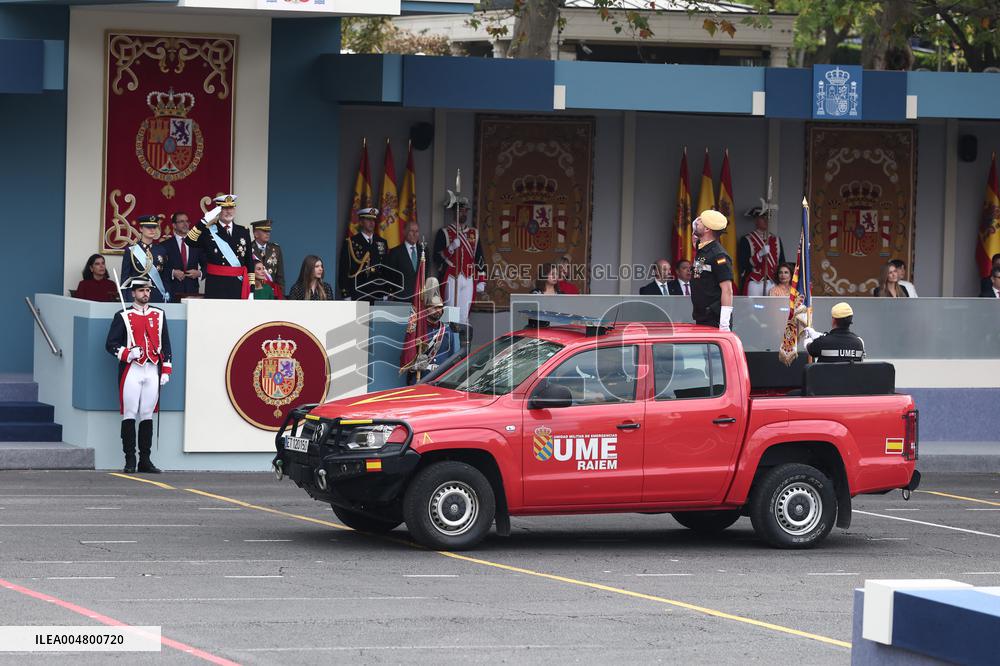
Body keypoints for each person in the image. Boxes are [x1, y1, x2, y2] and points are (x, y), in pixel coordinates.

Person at [105, 277, 170, 473]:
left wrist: (166, 369)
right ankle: (130, 459)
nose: (146, 294)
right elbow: (110, 344)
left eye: (148, 290)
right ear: (133, 293)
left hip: (152, 369)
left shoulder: (159, 314)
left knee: (147, 415)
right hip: (132, 370)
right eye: (141, 290)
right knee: (130, 413)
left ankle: (145, 459)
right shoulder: (122, 315)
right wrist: (127, 353)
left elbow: (166, 344)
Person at [184, 194, 255, 299]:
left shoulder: (243, 231)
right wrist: (204, 221)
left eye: (231, 207)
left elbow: (249, 261)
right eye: (224, 208)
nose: (228, 211)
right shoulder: (209, 231)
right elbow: (189, 241)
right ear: (218, 211)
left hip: (238, 286)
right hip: (216, 286)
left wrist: (251, 289)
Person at [433, 188, 486, 324]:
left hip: (468, 278)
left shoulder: (474, 233)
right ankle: (448, 342)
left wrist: (481, 279)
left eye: (465, 211)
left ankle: (462, 343)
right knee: (449, 314)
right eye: (460, 211)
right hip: (451, 276)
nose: (463, 213)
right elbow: (436, 258)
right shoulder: (444, 232)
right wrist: (450, 249)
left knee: (464, 315)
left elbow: (479, 257)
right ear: (454, 212)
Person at [691, 210, 735, 330]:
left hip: (714, 318)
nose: (696, 223)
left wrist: (724, 323)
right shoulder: (703, 250)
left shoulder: (718, 255)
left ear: (707, 229)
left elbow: (727, 290)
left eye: (700, 222)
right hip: (702, 316)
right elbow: (698, 274)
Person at [338, 207, 388, 302]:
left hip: (377, 293)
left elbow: (385, 269)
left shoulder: (382, 242)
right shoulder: (351, 242)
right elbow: (344, 270)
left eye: (373, 220)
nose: (371, 223)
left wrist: (385, 291)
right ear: (361, 222)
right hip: (358, 293)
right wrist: (346, 294)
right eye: (368, 219)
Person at [402, 295, 454, 384]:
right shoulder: (417, 330)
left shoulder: (447, 330)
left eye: (440, 307)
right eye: (434, 307)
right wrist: (414, 365)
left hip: (441, 380)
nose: (438, 310)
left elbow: (451, 357)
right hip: (421, 378)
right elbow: (407, 355)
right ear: (426, 309)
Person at [120, 215, 170, 303]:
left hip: (157, 295)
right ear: (141, 229)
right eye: (148, 227)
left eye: (154, 227)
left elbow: (165, 276)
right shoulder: (131, 250)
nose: (152, 230)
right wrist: (125, 297)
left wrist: (167, 293)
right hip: (137, 296)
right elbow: (125, 277)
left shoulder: (161, 250)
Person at [738, 204, 785, 296]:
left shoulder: (776, 240)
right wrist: (759, 255)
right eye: (762, 218)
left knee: (773, 308)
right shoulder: (747, 239)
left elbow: (782, 262)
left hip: (773, 281)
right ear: (756, 220)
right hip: (755, 281)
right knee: (753, 308)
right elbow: (743, 264)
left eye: (767, 218)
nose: (766, 220)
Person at [163, 211, 203, 301]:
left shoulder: (198, 244)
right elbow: (160, 268)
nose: (185, 224)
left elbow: (207, 264)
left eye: (187, 221)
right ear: (174, 225)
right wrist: (172, 272)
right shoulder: (165, 245)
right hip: (172, 291)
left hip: (192, 292)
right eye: (181, 221)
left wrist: (199, 273)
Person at [386, 221, 424, 302]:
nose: (414, 234)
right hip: (401, 298)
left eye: (417, 231)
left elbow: (425, 273)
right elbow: (390, 276)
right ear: (404, 232)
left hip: (420, 298)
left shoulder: (424, 251)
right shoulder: (395, 252)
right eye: (412, 231)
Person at [251, 219, 285, 294]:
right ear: (256, 234)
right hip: (255, 291)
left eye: (269, 231)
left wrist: (280, 295)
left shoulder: (276, 249)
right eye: (264, 231)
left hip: (272, 292)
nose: (268, 234)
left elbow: (280, 276)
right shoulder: (248, 248)